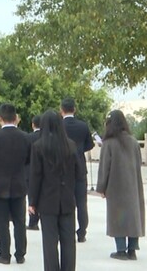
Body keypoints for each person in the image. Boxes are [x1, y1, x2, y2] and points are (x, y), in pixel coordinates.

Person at [29, 110, 83, 271]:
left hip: (47, 201)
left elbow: (36, 176)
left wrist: (32, 201)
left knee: (49, 243)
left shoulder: (38, 146)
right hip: (67, 200)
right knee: (69, 242)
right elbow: (79, 173)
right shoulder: (71, 145)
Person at [0, 103, 30, 265]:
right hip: (19, 185)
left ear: (0, 118)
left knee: (1, 222)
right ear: (15, 118)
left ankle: (4, 254)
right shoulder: (25, 138)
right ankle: (20, 254)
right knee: (19, 221)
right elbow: (29, 160)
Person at [96, 109, 145, 260]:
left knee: (118, 216)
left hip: (115, 186)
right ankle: (132, 250)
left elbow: (104, 168)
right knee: (133, 215)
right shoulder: (133, 141)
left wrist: (101, 187)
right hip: (133, 185)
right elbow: (138, 163)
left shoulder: (108, 143)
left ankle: (121, 250)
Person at [60, 98, 93, 243]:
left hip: (63, 169)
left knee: (66, 202)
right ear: (75, 109)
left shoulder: (59, 126)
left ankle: (67, 231)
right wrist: (79, 150)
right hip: (80, 167)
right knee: (81, 202)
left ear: (61, 110)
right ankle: (82, 232)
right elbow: (89, 145)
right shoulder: (83, 126)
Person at [26, 115, 42, 230]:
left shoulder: (28, 137)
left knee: (32, 196)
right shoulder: (47, 137)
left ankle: (33, 222)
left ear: (33, 125)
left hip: (30, 170)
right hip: (45, 170)